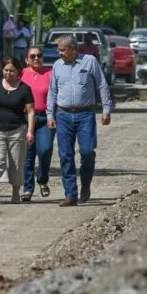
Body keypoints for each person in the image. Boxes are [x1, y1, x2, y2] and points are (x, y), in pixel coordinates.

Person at [46, 35, 112, 207]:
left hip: (85, 115)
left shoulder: (89, 61)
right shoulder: (57, 66)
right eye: (58, 50)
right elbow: (52, 92)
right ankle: (71, 194)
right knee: (65, 155)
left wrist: (106, 109)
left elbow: (102, 85)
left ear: (74, 49)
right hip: (63, 115)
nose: (59, 53)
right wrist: (50, 115)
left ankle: (86, 183)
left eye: (62, 50)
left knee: (88, 152)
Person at [0, 57, 35, 204]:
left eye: (12, 70)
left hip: (17, 130)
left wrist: (30, 131)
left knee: (16, 163)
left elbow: (30, 111)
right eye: (5, 70)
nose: (8, 73)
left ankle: (15, 193)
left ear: (18, 71)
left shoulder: (24, 89)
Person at [20, 45, 54, 202]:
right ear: (27, 60)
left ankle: (42, 178)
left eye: (39, 55)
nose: (36, 58)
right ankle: (27, 188)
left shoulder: (50, 74)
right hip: (25, 118)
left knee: (45, 150)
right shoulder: (21, 74)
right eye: (32, 56)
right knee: (28, 155)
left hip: (45, 118)